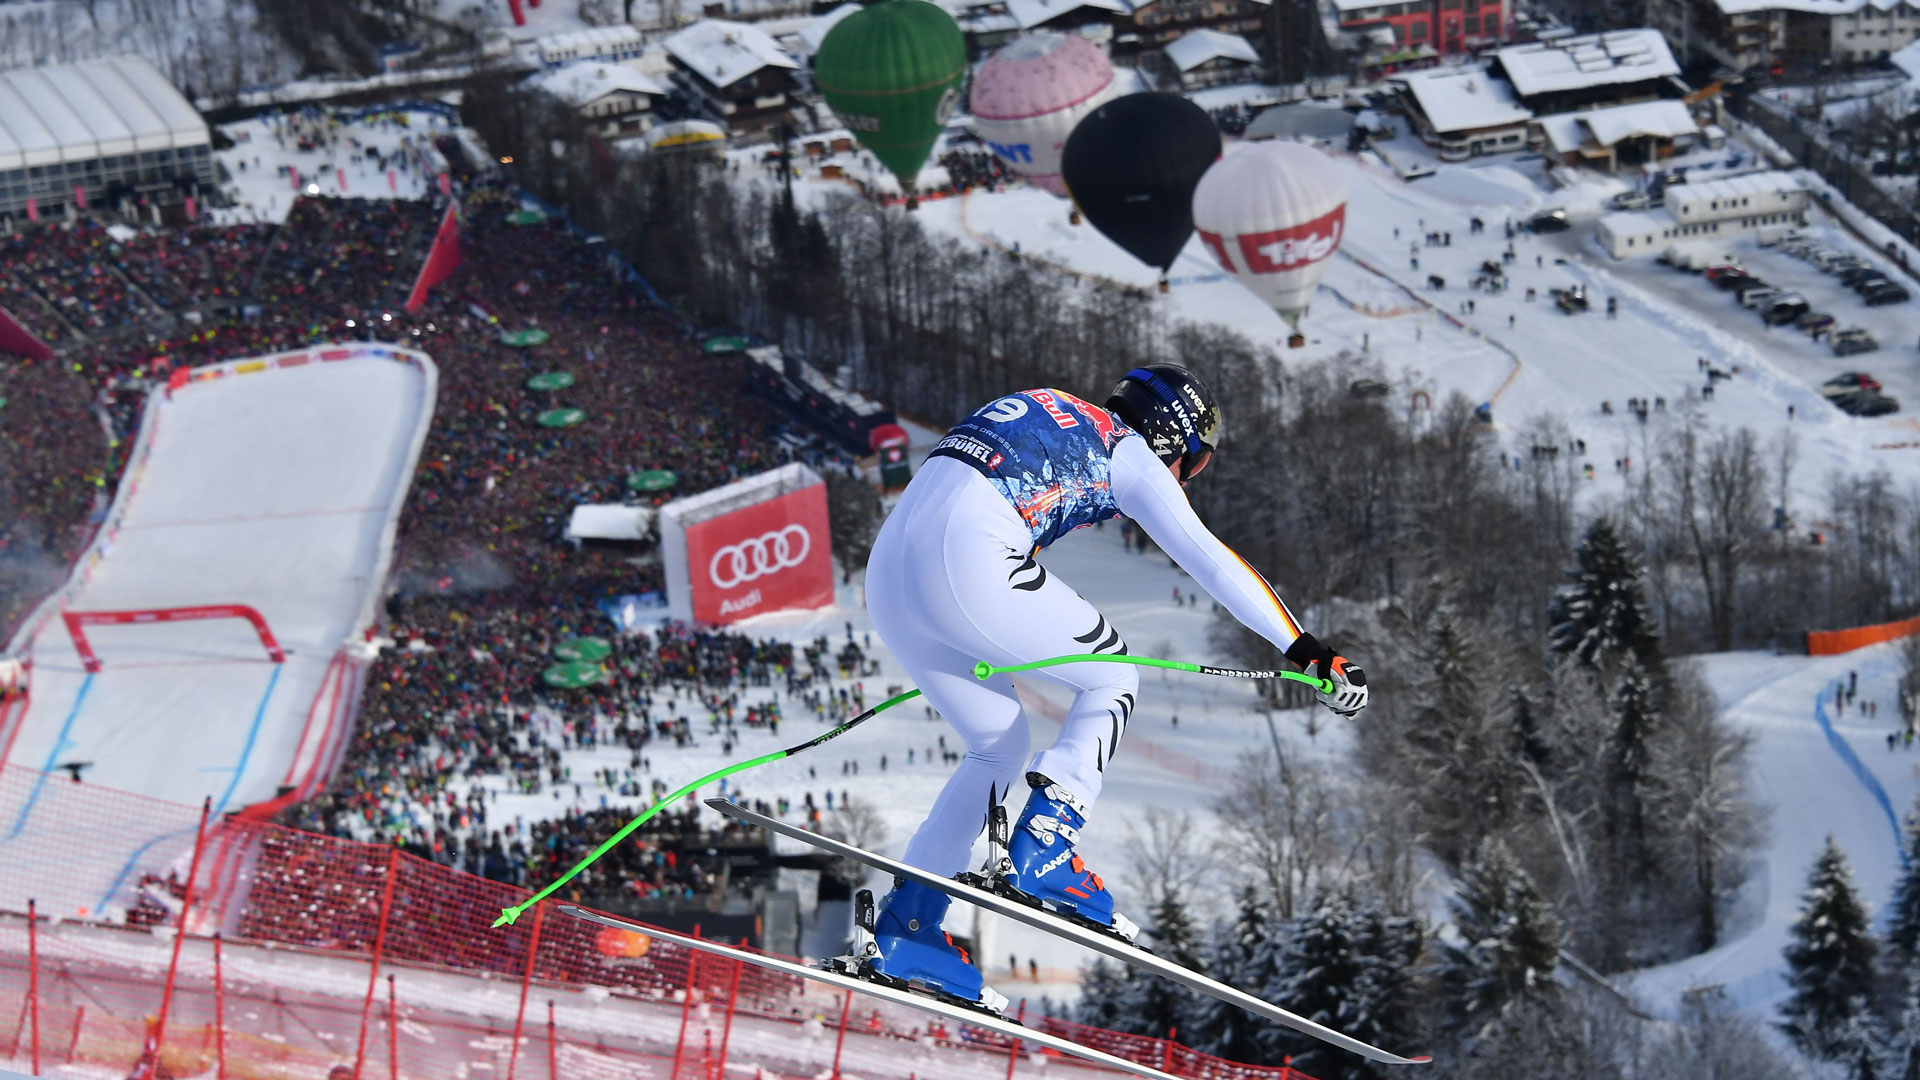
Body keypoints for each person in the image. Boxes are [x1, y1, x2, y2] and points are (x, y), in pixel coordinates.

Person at [859, 365, 1368, 1010]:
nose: (1185, 479)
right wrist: (1307, 651)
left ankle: (909, 926)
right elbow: (1208, 556)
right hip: (967, 559)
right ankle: (1045, 846)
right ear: (1173, 438)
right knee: (1114, 676)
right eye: (1193, 463)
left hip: (889, 575)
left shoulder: (1044, 399)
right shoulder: (1126, 451)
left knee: (997, 743)